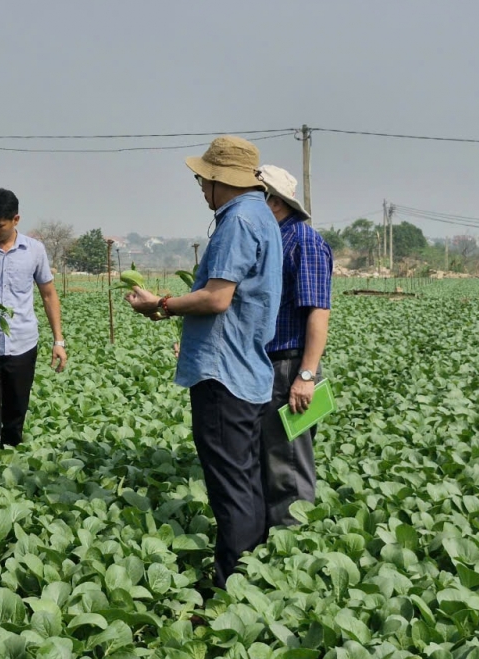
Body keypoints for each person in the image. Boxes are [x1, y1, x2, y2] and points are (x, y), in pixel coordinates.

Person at [125, 136, 282, 589]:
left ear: (221, 181)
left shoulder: (237, 221)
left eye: (203, 178)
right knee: (246, 481)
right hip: (249, 369)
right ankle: (251, 577)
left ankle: (230, 584)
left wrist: (162, 303)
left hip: (223, 371)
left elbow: (217, 298)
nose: (200, 186)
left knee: (230, 488)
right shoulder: (264, 217)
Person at [0, 188, 67, 455]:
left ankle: (10, 464)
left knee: (15, 412)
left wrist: (58, 340)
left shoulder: (35, 250)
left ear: (15, 220)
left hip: (23, 343)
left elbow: (48, 294)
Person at [258, 164, 333, 529]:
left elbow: (318, 311)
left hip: (289, 367)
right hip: (269, 365)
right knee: (271, 461)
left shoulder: (303, 240)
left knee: (287, 466)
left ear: (274, 202)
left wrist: (305, 375)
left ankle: (293, 549)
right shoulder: (273, 239)